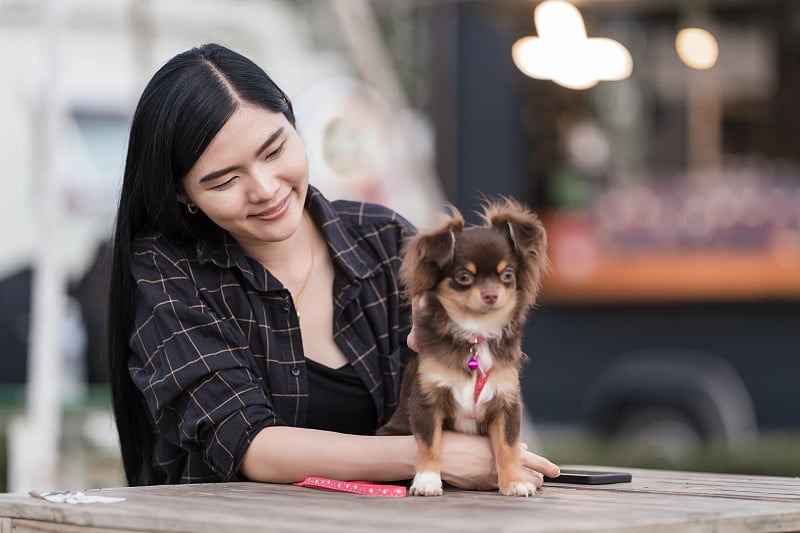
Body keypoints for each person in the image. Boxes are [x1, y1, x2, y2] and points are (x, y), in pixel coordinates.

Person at [107, 42, 559, 488]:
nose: (264, 188)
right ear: (183, 194)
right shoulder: (167, 273)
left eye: (274, 151)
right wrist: (426, 455)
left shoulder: (383, 240)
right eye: (226, 179)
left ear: (292, 119)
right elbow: (247, 443)